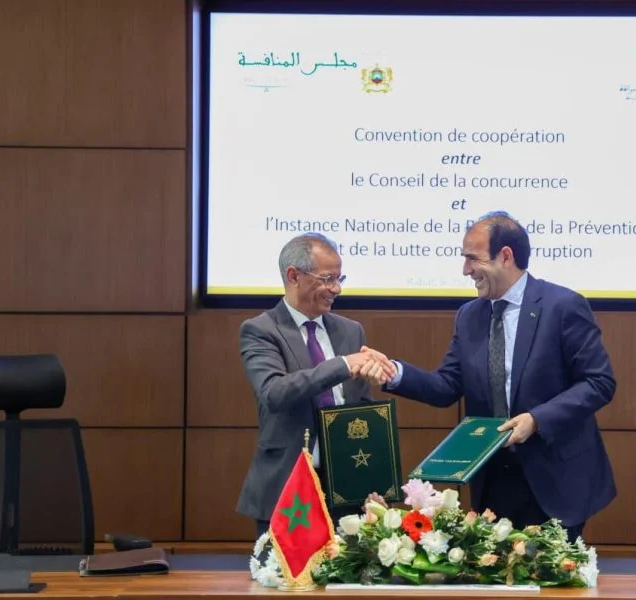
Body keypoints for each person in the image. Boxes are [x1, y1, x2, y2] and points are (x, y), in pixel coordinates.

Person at [364, 212, 616, 542]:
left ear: (505, 256)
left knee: (553, 573)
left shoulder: (563, 306)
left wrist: (536, 419)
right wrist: (394, 373)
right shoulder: (470, 315)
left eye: (473, 258)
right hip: (493, 479)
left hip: (555, 476)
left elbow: (599, 382)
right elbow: (446, 386)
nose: (465, 270)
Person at [236, 232, 394, 538]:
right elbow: (274, 393)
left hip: (347, 488)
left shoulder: (350, 331)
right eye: (327, 279)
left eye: (339, 278)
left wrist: (374, 480)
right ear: (294, 276)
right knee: (284, 570)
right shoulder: (261, 330)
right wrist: (343, 365)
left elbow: (361, 410)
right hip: (288, 487)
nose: (336, 289)